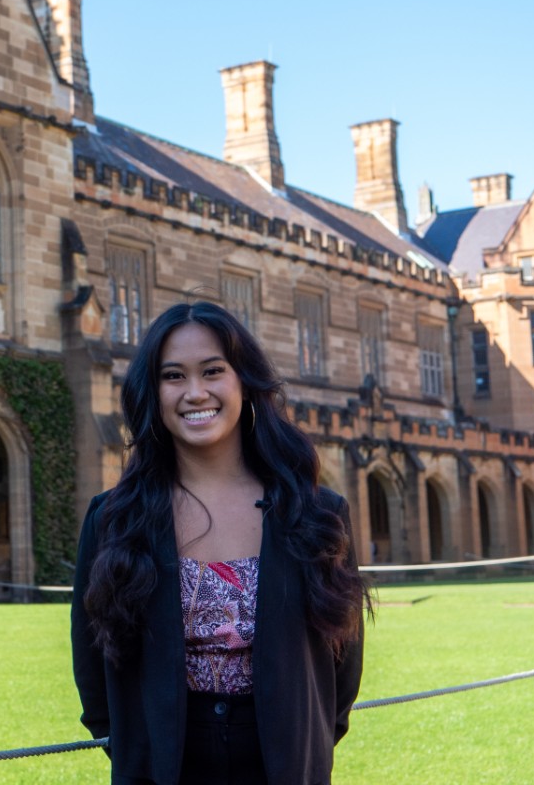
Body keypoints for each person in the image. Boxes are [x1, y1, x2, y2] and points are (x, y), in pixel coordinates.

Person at [71, 302, 370, 785]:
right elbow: (92, 661)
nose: (195, 392)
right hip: (162, 764)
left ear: (244, 382)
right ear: (154, 391)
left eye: (213, 371)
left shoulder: (314, 512)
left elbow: (342, 660)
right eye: (173, 376)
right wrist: (135, 744)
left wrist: (305, 741)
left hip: (284, 765)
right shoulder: (114, 519)